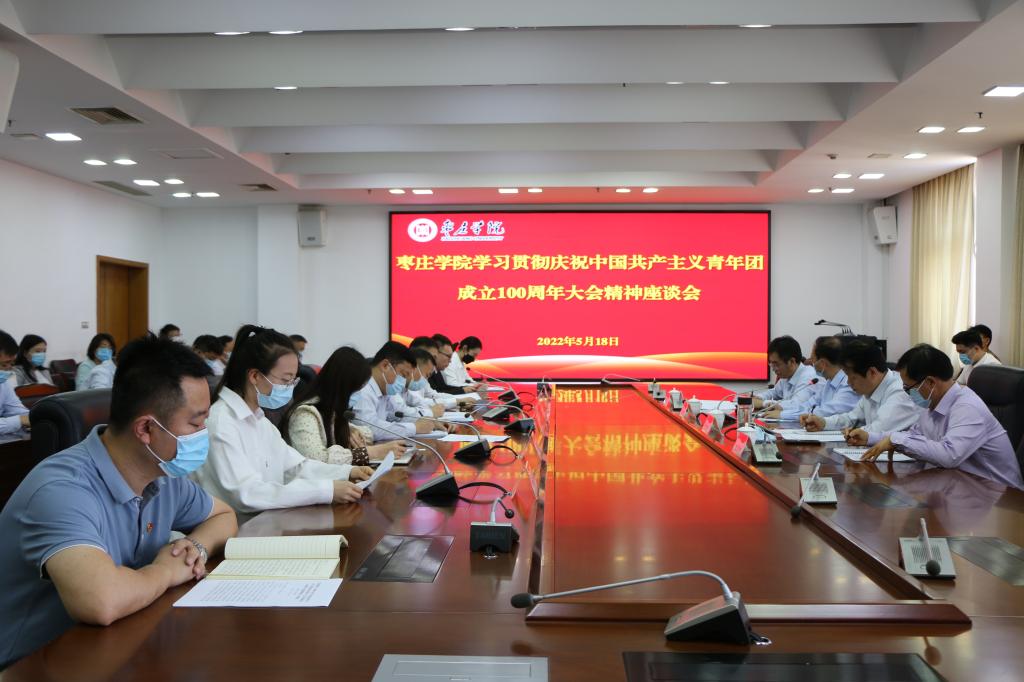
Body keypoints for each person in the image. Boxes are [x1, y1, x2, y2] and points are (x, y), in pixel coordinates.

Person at [0, 335, 238, 668]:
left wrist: (195, 548)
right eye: (196, 423)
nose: (204, 434)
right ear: (146, 429)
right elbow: (101, 601)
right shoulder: (61, 489)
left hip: (115, 649)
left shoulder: (162, 475)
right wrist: (166, 571)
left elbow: (224, 516)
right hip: (30, 666)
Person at [193, 325, 371, 514]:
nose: (290, 388)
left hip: (268, 520)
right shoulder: (222, 423)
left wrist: (346, 473)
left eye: (293, 381)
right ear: (255, 376)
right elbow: (247, 494)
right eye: (286, 380)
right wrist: (326, 491)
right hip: (239, 527)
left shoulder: (260, 420)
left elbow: (295, 467)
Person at [863, 344, 1022, 489]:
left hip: (1001, 497)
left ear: (930, 382)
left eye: (908, 388)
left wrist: (896, 440)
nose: (908, 394)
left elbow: (949, 455)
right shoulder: (933, 404)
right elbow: (914, 435)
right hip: (963, 486)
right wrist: (869, 437)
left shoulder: (967, 408)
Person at [283, 346, 398, 466]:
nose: (359, 395)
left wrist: (351, 430)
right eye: (357, 389)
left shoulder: (332, 412)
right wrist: (372, 452)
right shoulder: (305, 414)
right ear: (342, 387)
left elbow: (368, 434)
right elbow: (317, 460)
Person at [802, 338, 920, 446]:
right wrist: (823, 422)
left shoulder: (900, 392)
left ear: (872, 373)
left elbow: (878, 430)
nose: (848, 382)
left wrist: (855, 431)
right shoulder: (871, 389)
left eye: (852, 377)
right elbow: (850, 418)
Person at [351, 341, 436, 442]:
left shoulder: (385, 390)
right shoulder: (363, 389)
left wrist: (430, 422)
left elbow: (399, 416)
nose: (403, 382)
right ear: (385, 366)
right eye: (403, 375)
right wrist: (415, 428)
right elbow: (370, 429)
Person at [761, 336, 858, 420]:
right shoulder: (829, 383)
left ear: (823, 363)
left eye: (813, 359)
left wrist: (783, 414)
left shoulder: (848, 384)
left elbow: (825, 412)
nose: (811, 363)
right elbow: (808, 405)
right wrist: (780, 409)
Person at [753, 335, 818, 411]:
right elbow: (774, 392)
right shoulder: (786, 375)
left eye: (776, 364)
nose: (773, 369)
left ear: (792, 361)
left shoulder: (809, 377)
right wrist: (758, 398)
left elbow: (796, 406)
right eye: (771, 364)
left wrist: (763, 403)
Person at [0, 330, 31, 443]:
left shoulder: (3, 383)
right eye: (4, 364)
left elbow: (17, 410)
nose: (9, 369)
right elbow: (21, 419)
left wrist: (35, 418)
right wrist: (19, 421)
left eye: (11, 364)